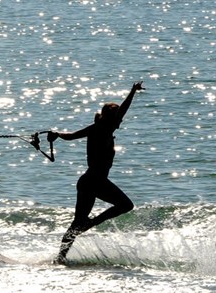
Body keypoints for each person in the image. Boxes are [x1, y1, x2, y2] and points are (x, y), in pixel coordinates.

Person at [48, 81, 145, 264]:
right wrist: (58, 135)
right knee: (125, 205)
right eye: (116, 117)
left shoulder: (106, 127)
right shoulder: (98, 129)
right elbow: (72, 136)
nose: (120, 120)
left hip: (91, 181)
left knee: (77, 223)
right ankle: (89, 226)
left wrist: (132, 91)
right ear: (109, 118)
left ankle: (60, 258)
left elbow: (123, 110)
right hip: (94, 181)